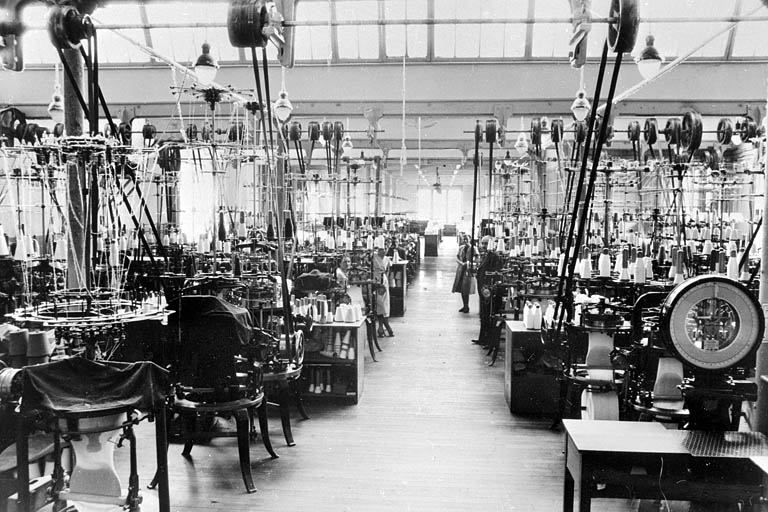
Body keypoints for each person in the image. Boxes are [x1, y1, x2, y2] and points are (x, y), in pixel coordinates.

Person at [472, 235, 504, 347]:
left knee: (488, 315)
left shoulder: (494, 256)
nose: (484, 246)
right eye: (483, 243)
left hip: (488, 292)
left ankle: (489, 341)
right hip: (483, 291)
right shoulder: (486, 255)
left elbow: (496, 273)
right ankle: (482, 339)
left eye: (486, 243)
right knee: (483, 315)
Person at [452, 234, 477, 313]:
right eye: (464, 239)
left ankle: (467, 306)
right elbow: (457, 257)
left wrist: (468, 263)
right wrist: (461, 263)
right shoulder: (461, 248)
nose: (465, 241)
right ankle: (464, 305)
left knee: (466, 288)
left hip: (468, 270)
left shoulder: (473, 249)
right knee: (461, 288)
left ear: (470, 239)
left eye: (467, 239)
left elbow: (477, 259)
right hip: (461, 269)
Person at [373, 247, 394, 337]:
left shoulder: (386, 259)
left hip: (382, 281)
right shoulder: (373, 257)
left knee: (384, 304)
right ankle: (386, 327)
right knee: (380, 304)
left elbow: (389, 270)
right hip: (377, 280)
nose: (383, 252)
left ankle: (382, 328)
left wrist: (389, 280)